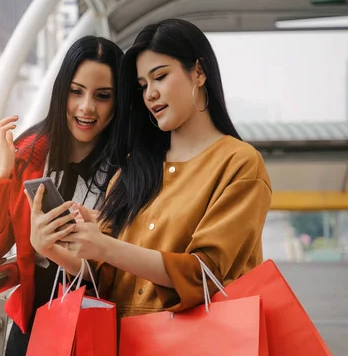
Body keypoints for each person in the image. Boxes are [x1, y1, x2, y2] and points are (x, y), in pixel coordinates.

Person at [31, 18, 272, 319]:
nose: (150, 94)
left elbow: (204, 274)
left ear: (199, 72)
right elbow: (101, 279)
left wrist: (105, 246)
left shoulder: (239, 163)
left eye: (160, 77)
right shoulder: (132, 169)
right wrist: (54, 248)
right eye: (143, 85)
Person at [0, 35, 123, 354]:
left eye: (102, 96)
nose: (86, 107)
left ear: (119, 102)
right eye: (76, 91)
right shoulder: (30, 154)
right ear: (61, 91)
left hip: (105, 329)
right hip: (36, 330)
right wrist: (3, 173)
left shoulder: (131, 166)